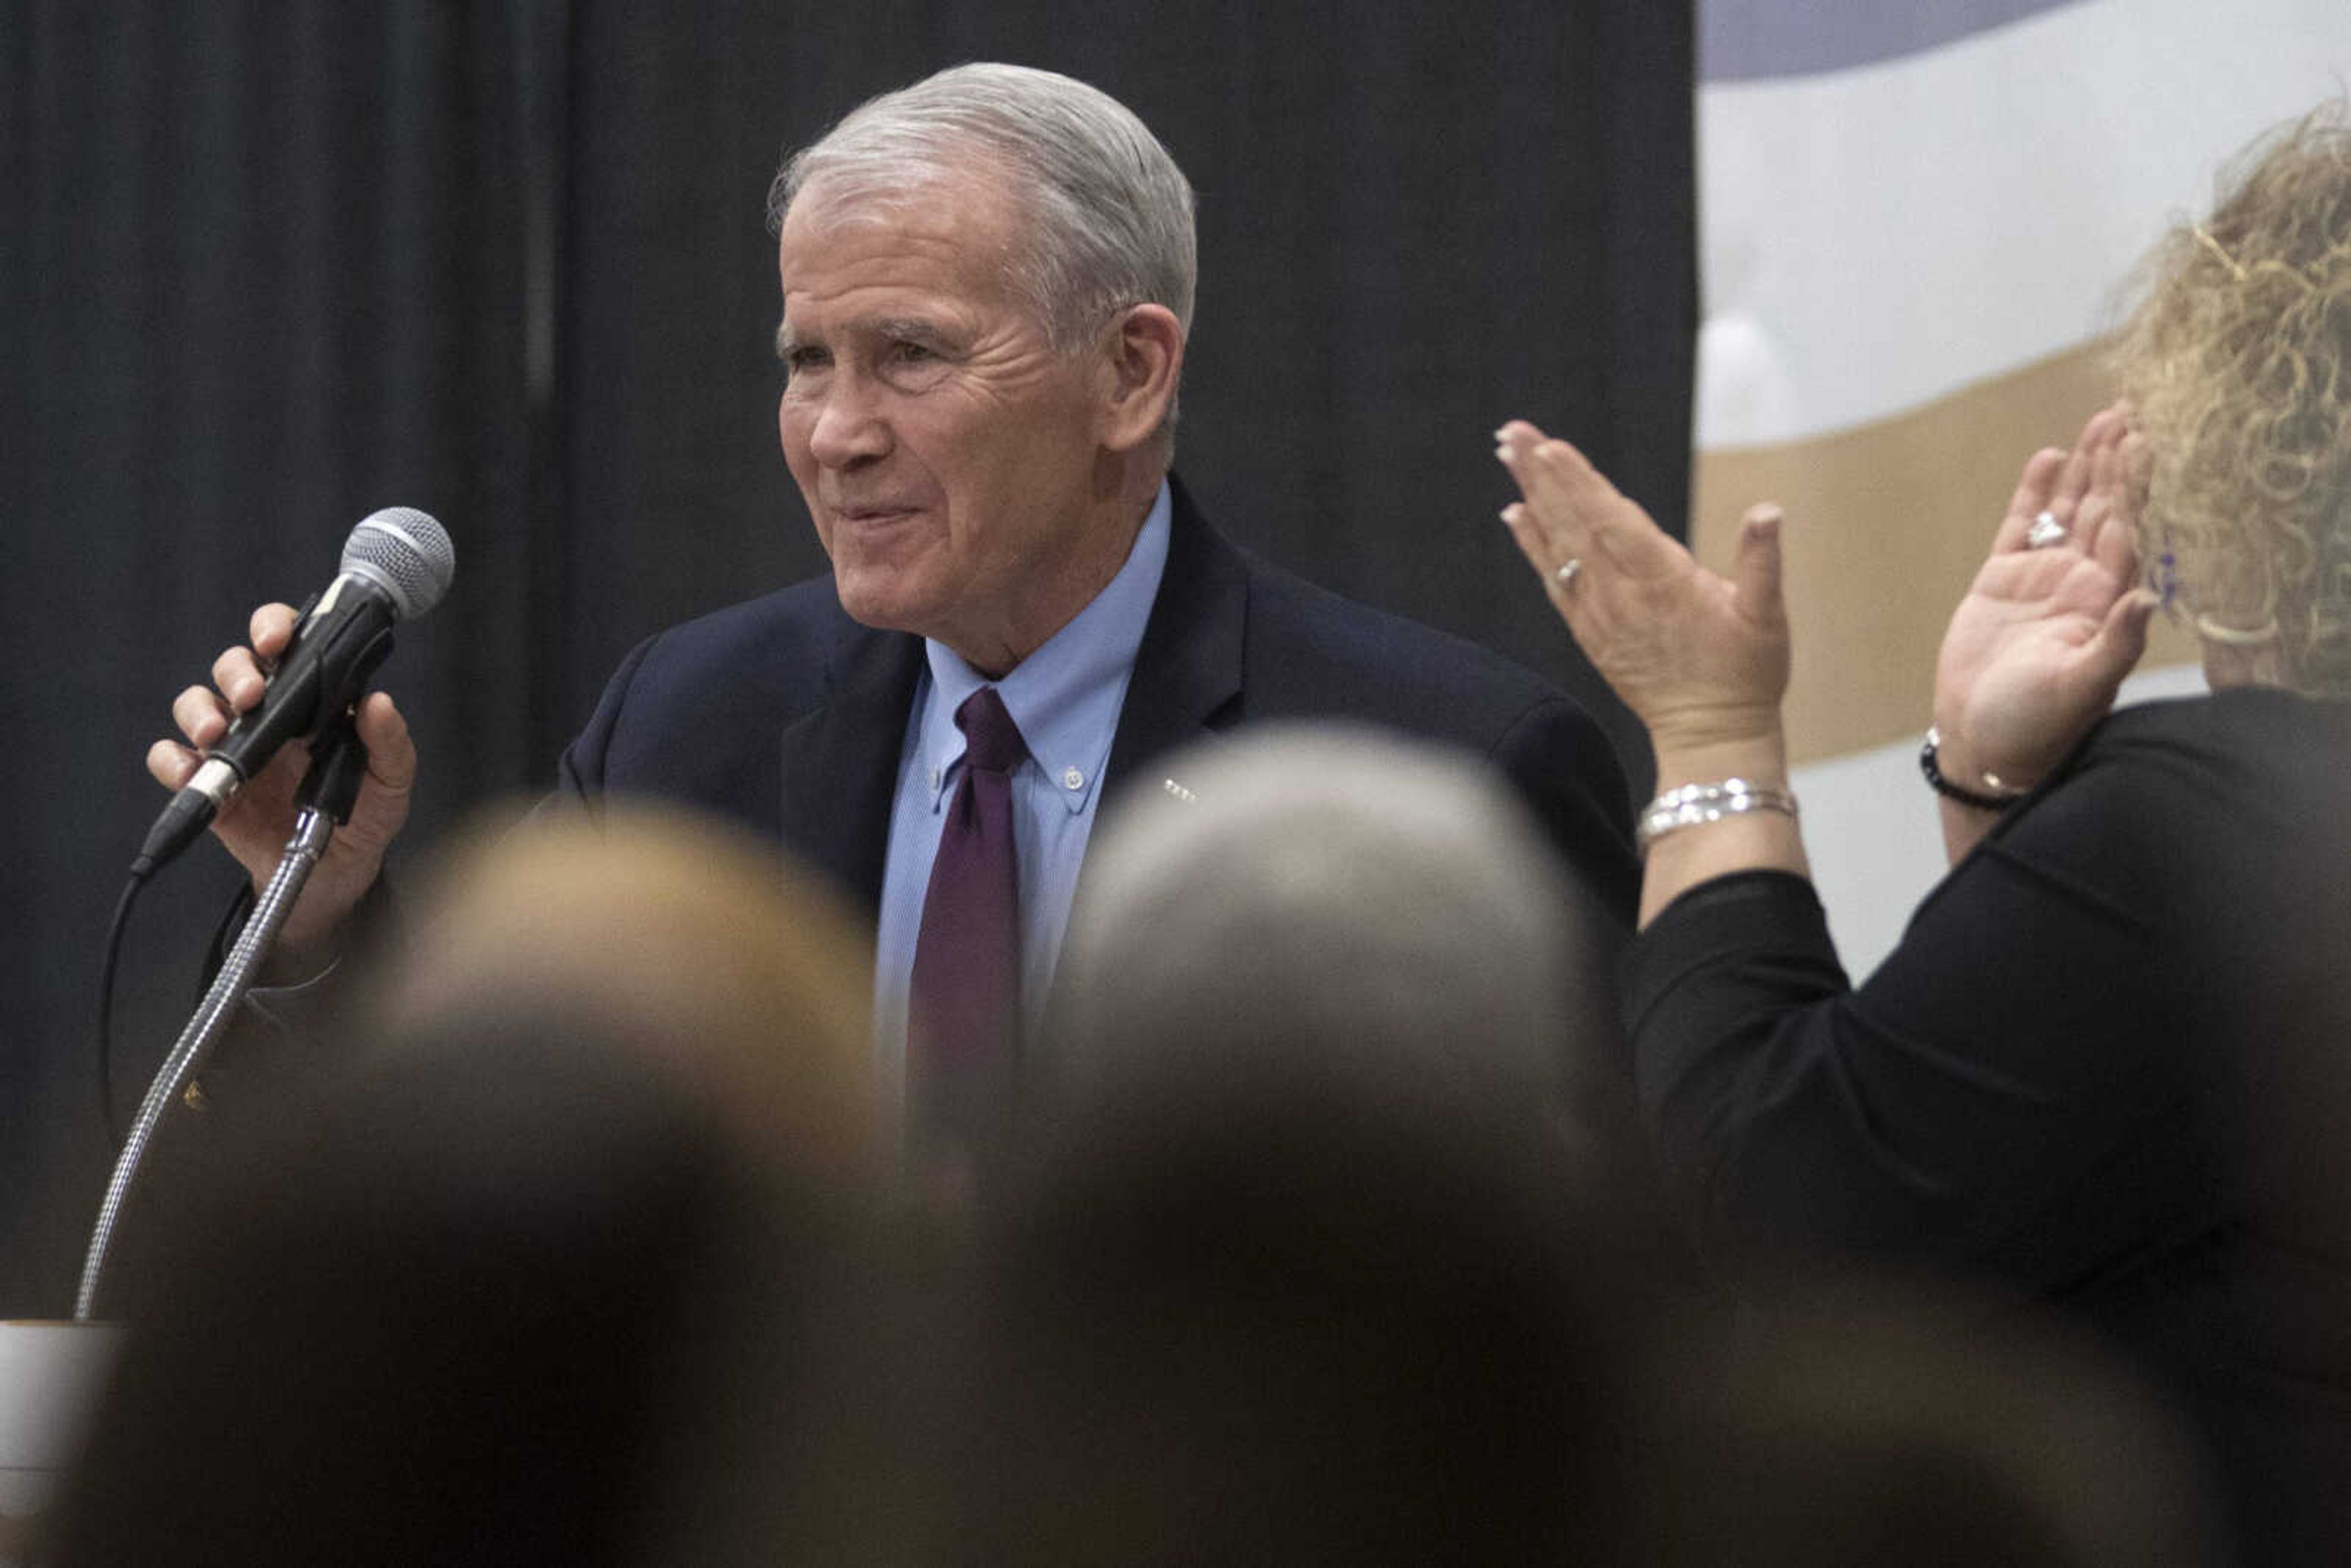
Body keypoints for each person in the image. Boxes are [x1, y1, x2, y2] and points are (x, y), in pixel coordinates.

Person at [148, 62, 1637, 1139]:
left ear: (1131, 371)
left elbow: (1571, 1324)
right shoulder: (689, 722)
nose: (837, 433)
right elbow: (507, 1161)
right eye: (809, 361)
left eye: (912, 356)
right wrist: (320, 907)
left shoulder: (1447, 772)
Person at [1494, 103, 2351, 1563]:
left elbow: (1777, 1227)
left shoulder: (2214, 818)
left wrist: (1712, 734)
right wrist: (1996, 798)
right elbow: (2053, 1170)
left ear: (2260, 461)